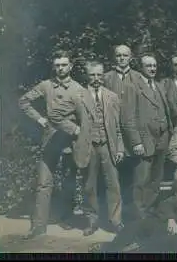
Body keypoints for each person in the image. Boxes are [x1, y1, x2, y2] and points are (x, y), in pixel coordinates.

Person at [49, 61, 125, 236]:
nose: (96, 79)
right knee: (89, 186)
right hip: (87, 147)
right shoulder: (78, 96)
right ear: (87, 76)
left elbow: (117, 126)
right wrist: (76, 129)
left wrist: (120, 148)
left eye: (99, 75)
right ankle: (92, 221)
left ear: (103, 75)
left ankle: (116, 221)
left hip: (108, 146)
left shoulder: (112, 97)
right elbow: (54, 114)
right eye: (92, 75)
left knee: (113, 185)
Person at [18, 49, 82, 238]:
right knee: (44, 182)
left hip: (71, 141)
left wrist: (76, 130)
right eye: (57, 65)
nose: (60, 68)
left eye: (64, 65)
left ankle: (66, 218)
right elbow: (24, 101)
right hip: (50, 140)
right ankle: (38, 226)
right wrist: (40, 120)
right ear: (54, 67)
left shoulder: (78, 88)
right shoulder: (46, 86)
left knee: (69, 182)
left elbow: (84, 116)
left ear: (70, 66)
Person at [94, 166, 177, 253]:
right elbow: (166, 205)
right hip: (168, 225)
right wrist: (171, 219)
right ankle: (108, 249)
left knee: (161, 243)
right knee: (136, 226)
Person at [121, 53, 173, 219]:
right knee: (141, 181)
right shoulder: (132, 87)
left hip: (162, 141)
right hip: (144, 141)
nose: (152, 69)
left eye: (154, 65)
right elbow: (127, 118)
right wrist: (136, 142)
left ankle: (149, 212)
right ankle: (138, 217)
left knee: (155, 180)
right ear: (141, 68)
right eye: (148, 66)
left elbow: (168, 110)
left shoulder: (159, 86)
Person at [103, 44, 140, 211]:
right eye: (118, 55)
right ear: (114, 57)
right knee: (113, 179)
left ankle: (131, 215)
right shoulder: (106, 78)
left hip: (133, 136)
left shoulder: (138, 78)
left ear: (130, 57)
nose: (122, 58)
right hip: (112, 135)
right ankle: (114, 216)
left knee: (132, 179)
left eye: (125, 55)